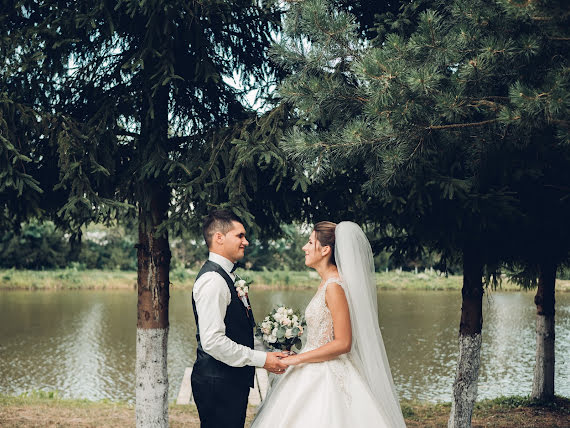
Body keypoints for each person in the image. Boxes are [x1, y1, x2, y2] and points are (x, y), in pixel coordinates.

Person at [251, 221, 407, 428]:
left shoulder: (334, 286)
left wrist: (297, 360)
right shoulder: (326, 283)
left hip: (328, 374)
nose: (304, 248)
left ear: (325, 250)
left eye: (309, 242)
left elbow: (343, 343)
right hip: (313, 364)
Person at [191, 210, 288, 428]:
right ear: (219, 238)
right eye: (240, 236)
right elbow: (213, 342)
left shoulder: (228, 277)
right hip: (218, 384)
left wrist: (271, 350)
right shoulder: (213, 281)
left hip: (229, 381)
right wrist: (263, 360)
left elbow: (237, 330)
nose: (246, 241)